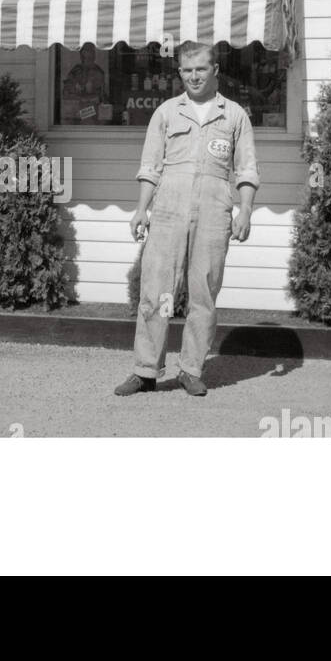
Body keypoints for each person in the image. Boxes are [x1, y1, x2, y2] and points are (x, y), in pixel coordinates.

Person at [116, 40, 259, 397]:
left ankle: (192, 368)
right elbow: (150, 167)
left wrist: (245, 210)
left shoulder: (234, 116)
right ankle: (145, 370)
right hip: (167, 210)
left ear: (215, 71)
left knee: (203, 293)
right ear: (180, 73)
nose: (194, 76)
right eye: (187, 70)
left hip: (214, 211)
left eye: (201, 69)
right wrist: (140, 209)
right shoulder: (165, 113)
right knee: (157, 290)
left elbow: (246, 169)